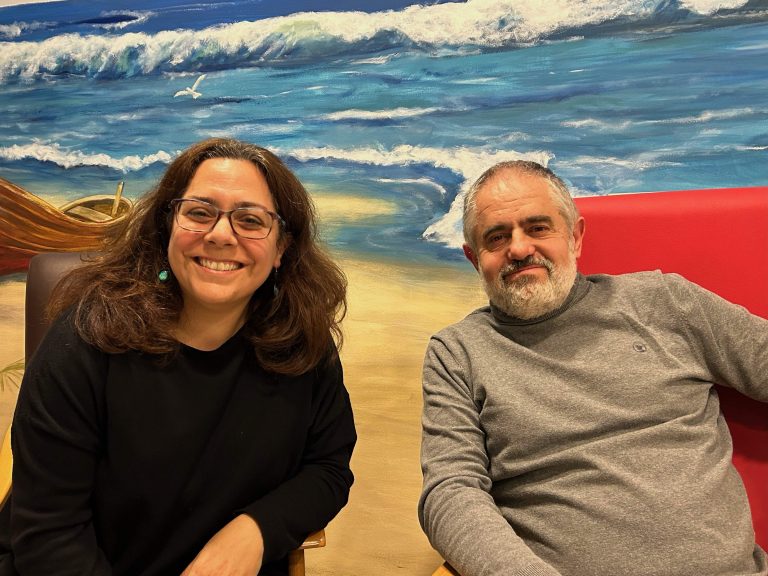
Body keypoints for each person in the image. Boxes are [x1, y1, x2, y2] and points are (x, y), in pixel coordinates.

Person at [0, 138, 356, 576]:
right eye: (200, 213)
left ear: (281, 248)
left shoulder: (303, 344)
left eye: (250, 220)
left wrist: (256, 530)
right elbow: (49, 538)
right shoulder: (84, 339)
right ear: (166, 227)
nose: (221, 235)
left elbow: (328, 469)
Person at [418, 160, 768, 576]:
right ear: (475, 259)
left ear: (575, 237)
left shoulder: (666, 302)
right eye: (497, 237)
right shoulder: (457, 354)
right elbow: (450, 492)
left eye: (538, 228)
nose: (519, 249)